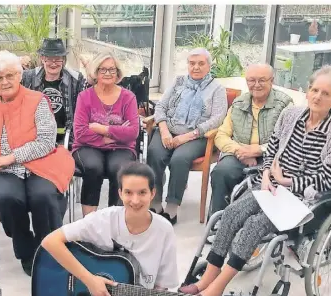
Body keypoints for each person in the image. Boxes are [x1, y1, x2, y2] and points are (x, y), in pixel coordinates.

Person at [179, 66, 331, 296]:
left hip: (310, 198)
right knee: (232, 212)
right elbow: (272, 148)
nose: (317, 96)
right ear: (307, 92)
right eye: (314, 90)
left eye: (325, 93)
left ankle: (217, 288)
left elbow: (328, 179)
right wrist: (265, 175)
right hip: (273, 186)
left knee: (256, 223)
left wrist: (288, 182)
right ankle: (206, 279)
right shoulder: (291, 115)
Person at [41, 162, 218, 296]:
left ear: (153, 193)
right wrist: (90, 280)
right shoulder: (103, 219)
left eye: (142, 192)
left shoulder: (164, 229)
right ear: (120, 193)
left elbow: (160, 287)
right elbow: (50, 242)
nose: (135, 200)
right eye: (128, 193)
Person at [0, 50, 74, 276]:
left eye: (10, 75)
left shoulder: (37, 101)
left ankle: (50, 248)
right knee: (7, 198)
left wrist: (10, 157)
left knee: (43, 196)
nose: (5, 82)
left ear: (20, 75)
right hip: (1, 169)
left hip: (41, 162)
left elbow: (46, 141)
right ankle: (26, 248)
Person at [147, 48, 227, 224]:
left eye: (201, 63)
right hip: (168, 130)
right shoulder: (178, 82)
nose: (196, 67)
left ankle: (171, 208)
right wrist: (165, 130)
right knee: (154, 153)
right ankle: (155, 202)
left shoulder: (217, 88)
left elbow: (217, 119)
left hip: (197, 136)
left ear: (209, 65)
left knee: (179, 159)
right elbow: (160, 107)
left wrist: (186, 136)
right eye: (192, 63)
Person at [209, 63, 293, 216]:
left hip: (271, 156)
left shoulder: (285, 104)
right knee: (220, 172)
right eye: (251, 80)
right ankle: (217, 224)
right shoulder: (239, 103)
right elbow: (221, 135)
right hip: (239, 154)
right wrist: (240, 151)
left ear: (271, 81)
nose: (256, 85)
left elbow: (288, 138)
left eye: (262, 80)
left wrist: (259, 150)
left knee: (265, 181)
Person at [72, 52, 139, 216]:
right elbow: (80, 132)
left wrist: (104, 130)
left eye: (112, 70)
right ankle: (89, 223)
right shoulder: (85, 97)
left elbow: (133, 132)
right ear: (96, 72)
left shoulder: (128, 97)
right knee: (94, 168)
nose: (108, 73)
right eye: (103, 70)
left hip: (121, 148)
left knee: (119, 169)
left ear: (118, 73)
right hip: (87, 147)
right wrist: (113, 136)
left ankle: (114, 221)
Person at [21, 38, 88, 145]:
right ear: (42, 59)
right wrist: (18, 61)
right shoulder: (28, 77)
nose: (53, 63)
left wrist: (89, 69)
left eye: (57, 59)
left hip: (66, 137)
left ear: (63, 60)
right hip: (35, 136)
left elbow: (89, 97)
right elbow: (9, 76)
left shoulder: (75, 79)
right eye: (49, 59)